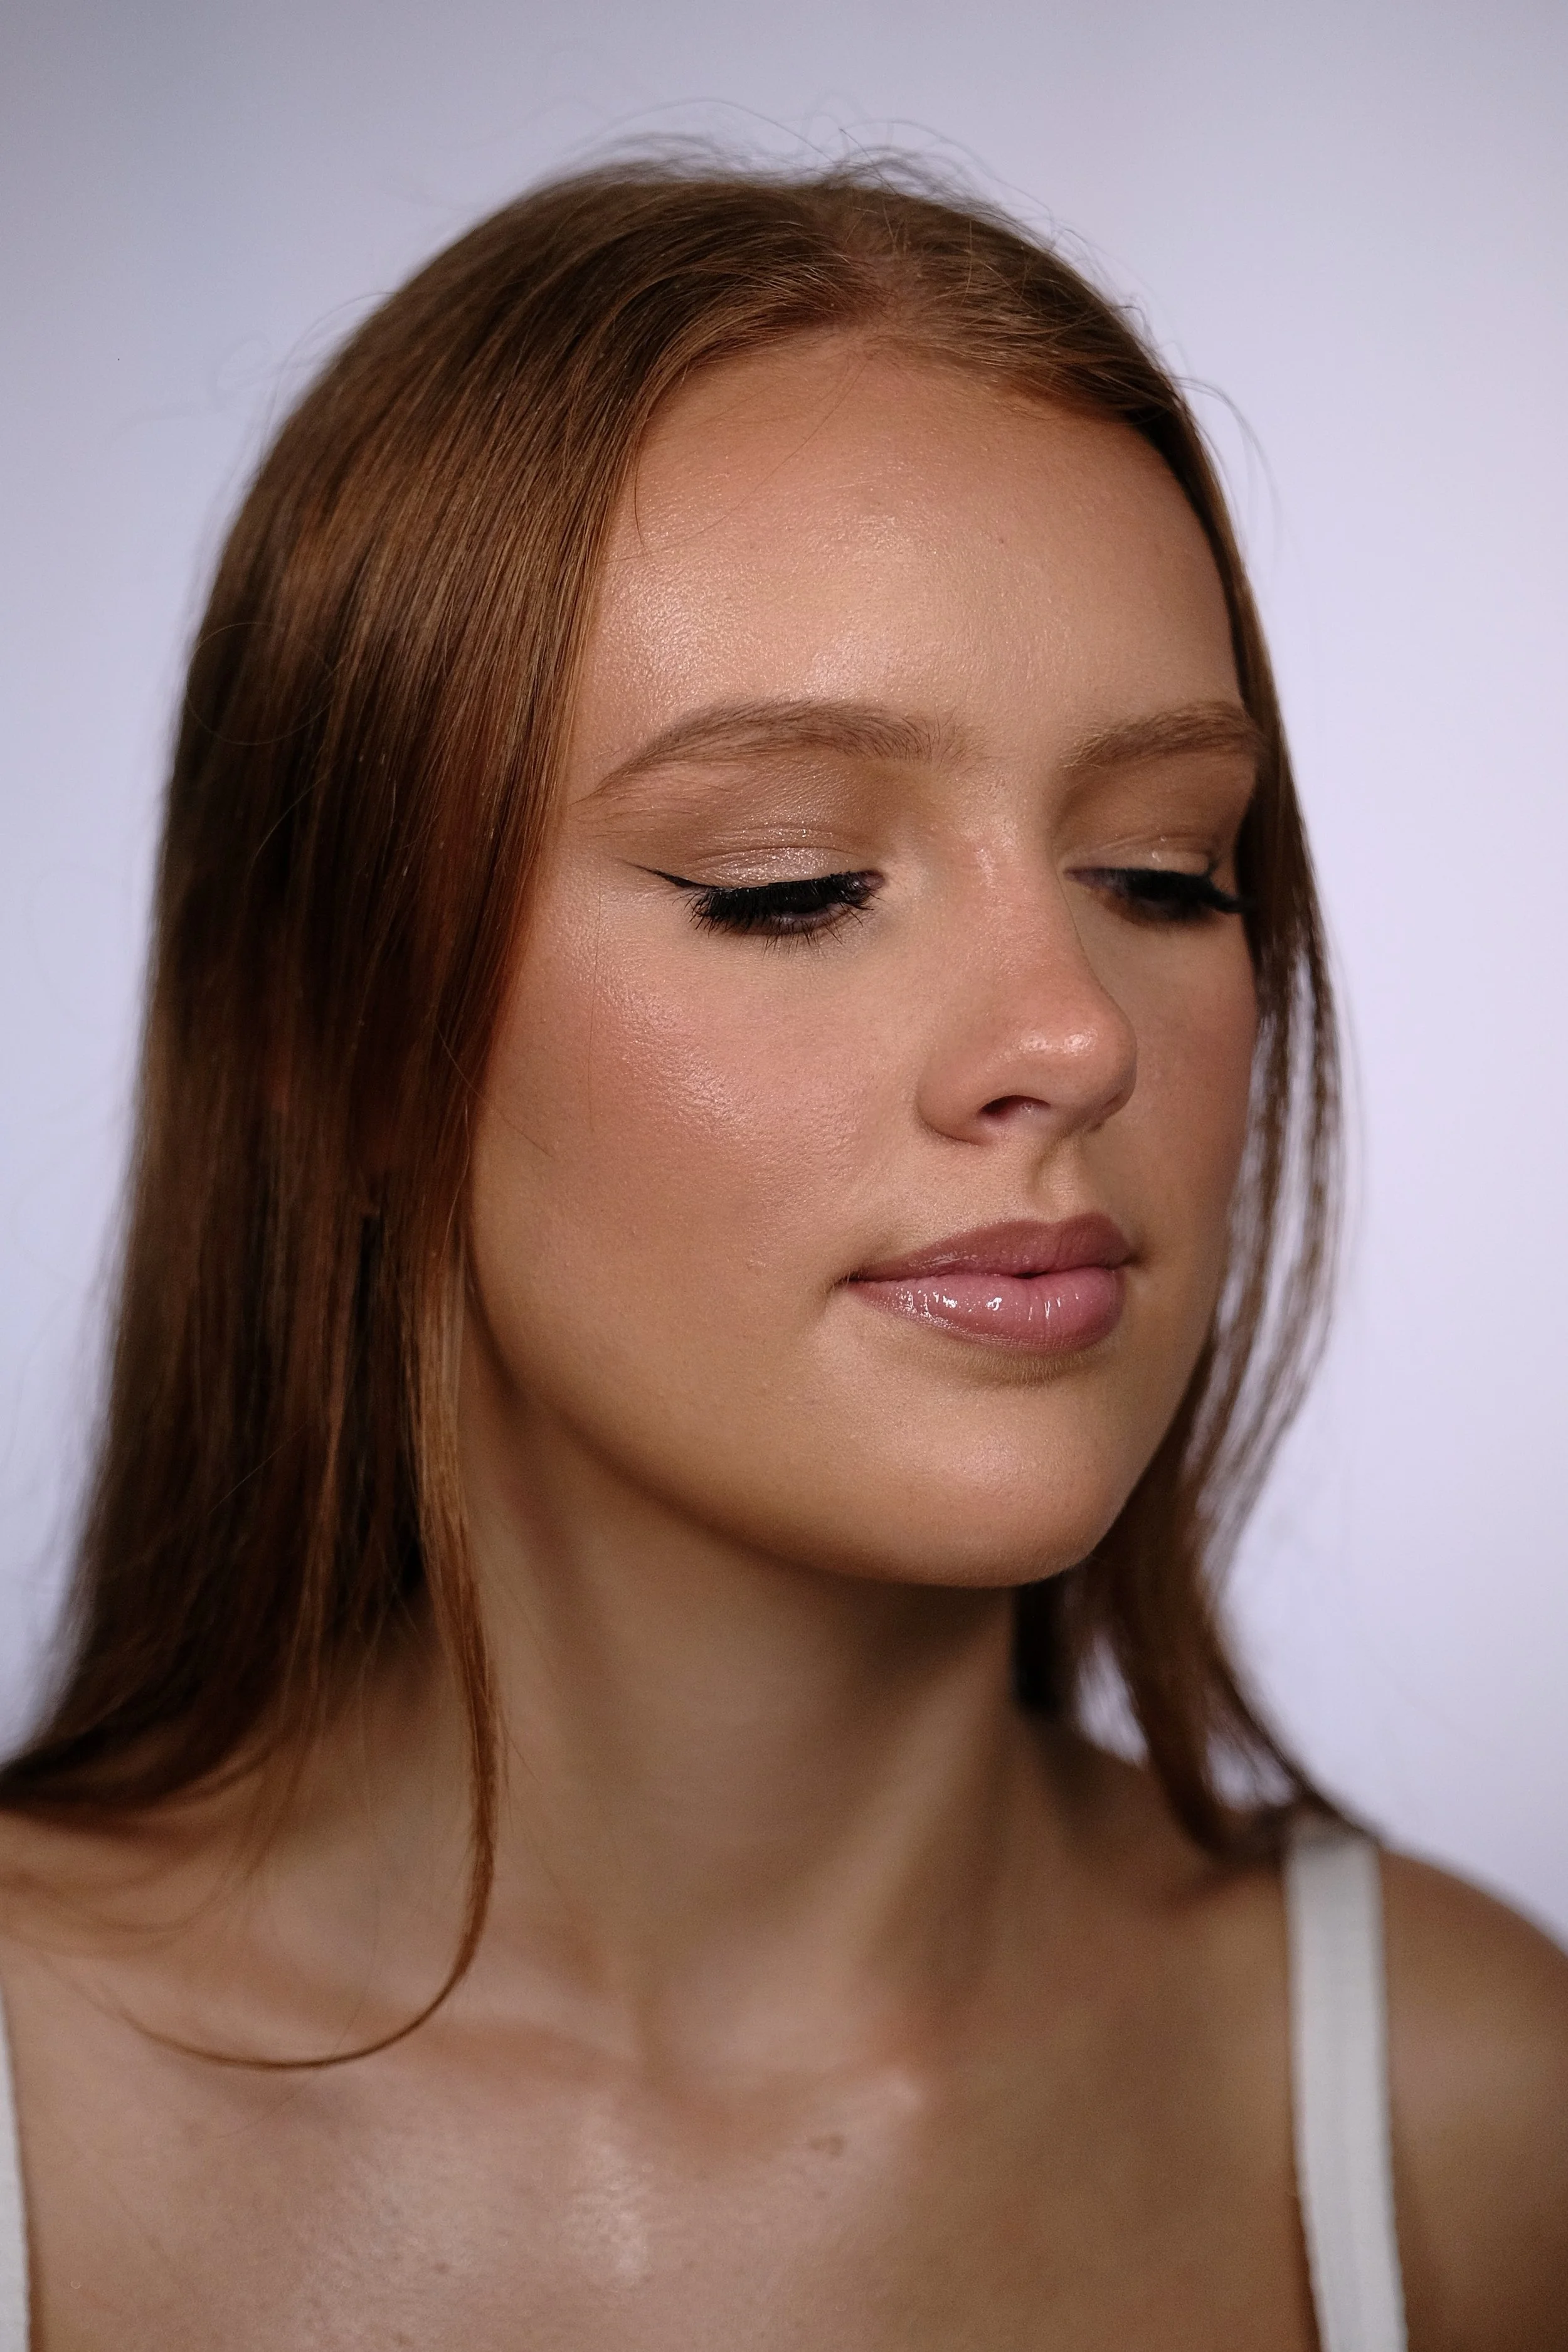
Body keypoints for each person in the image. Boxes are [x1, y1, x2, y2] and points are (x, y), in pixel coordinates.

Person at [0, 157, 1562, 2351]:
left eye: (1161, 868)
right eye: (790, 879)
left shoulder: (1464, 2124)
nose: (1074, 1035)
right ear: (330, 1030)